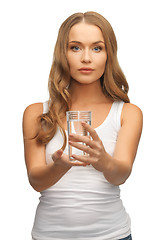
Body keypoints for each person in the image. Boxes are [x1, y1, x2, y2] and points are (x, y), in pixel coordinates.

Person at [23, 11, 143, 240]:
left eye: (97, 48)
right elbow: (35, 181)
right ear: (62, 53)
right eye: (75, 47)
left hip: (112, 235)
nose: (86, 58)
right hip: (50, 235)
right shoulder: (37, 113)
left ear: (109, 55)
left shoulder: (127, 113)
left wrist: (103, 160)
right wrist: (60, 166)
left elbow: (121, 175)